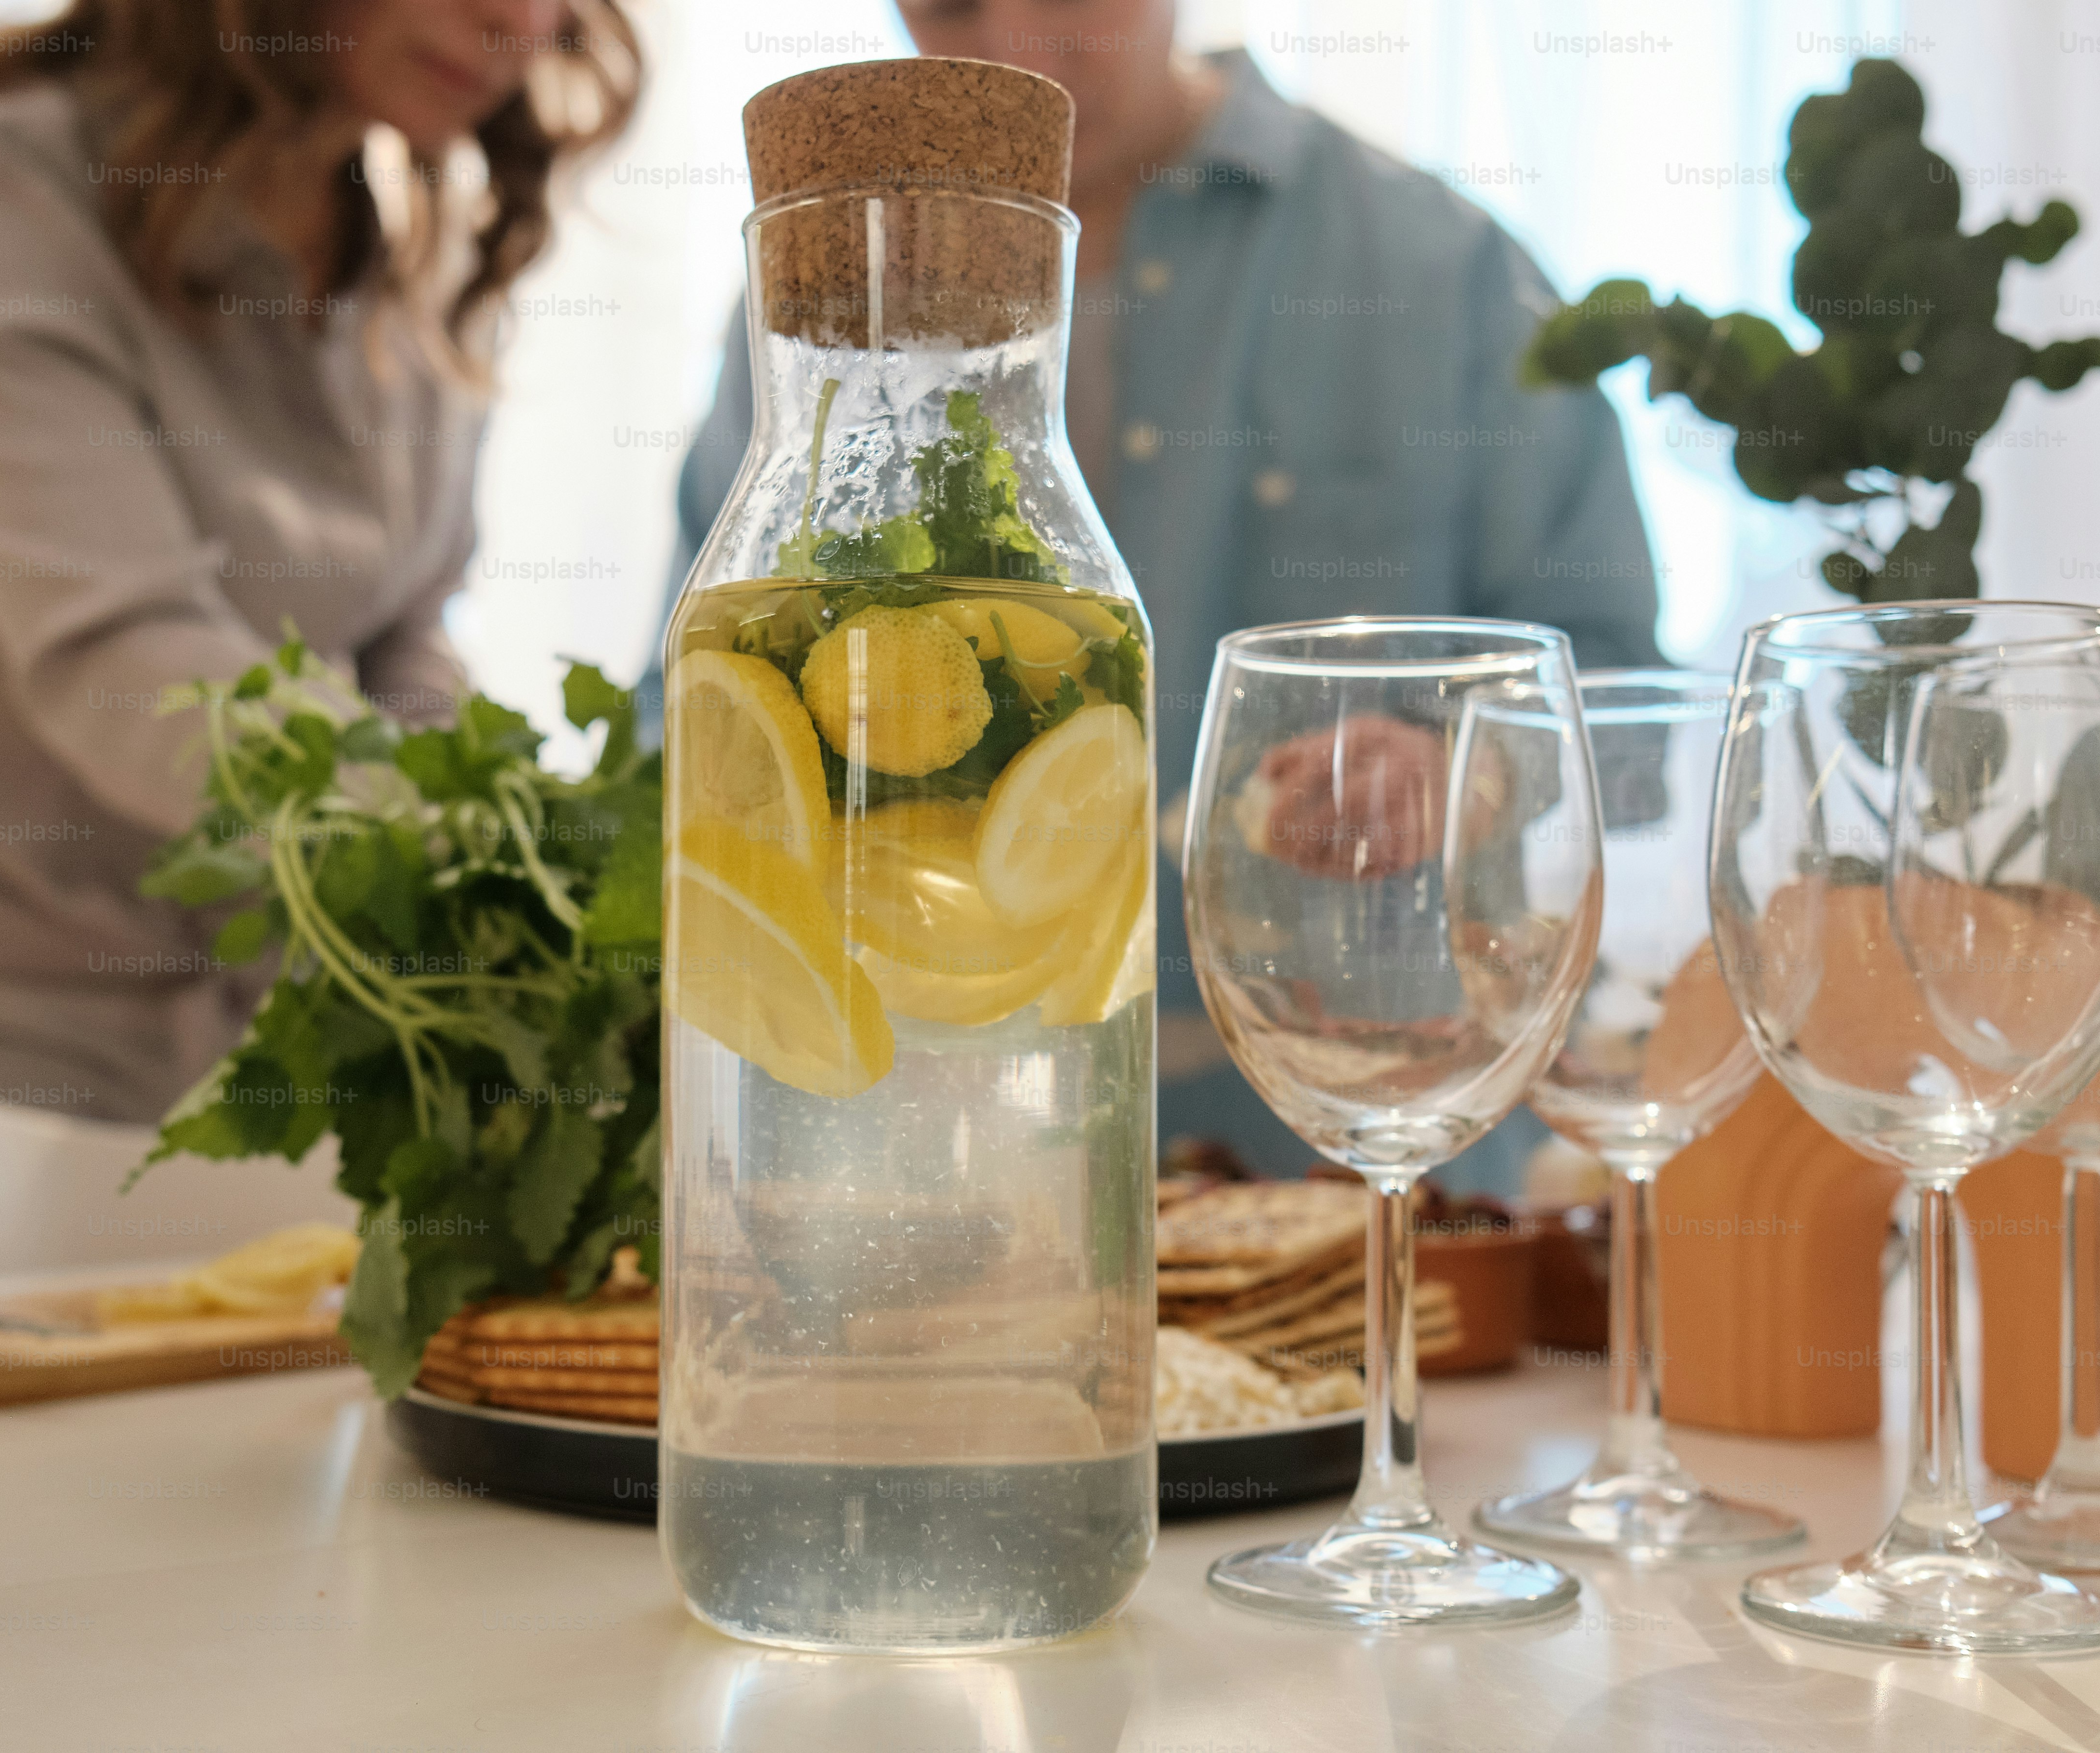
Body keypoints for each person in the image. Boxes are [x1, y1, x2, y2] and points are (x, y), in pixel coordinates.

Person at [666, 2, 1661, 1192]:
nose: (1017, 54)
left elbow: (1619, 697)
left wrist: (1464, 771)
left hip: (1370, 1161)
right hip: (924, 1159)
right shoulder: (827, 307)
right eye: (952, 9)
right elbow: (691, 716)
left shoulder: (1442, 270)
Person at [0, 0, 638, 1277]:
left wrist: (515, 848)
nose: (521, 19)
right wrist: (500, 878)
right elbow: (129, 661)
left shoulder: (417, 238)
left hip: (274, 1031)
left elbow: (401, 636)